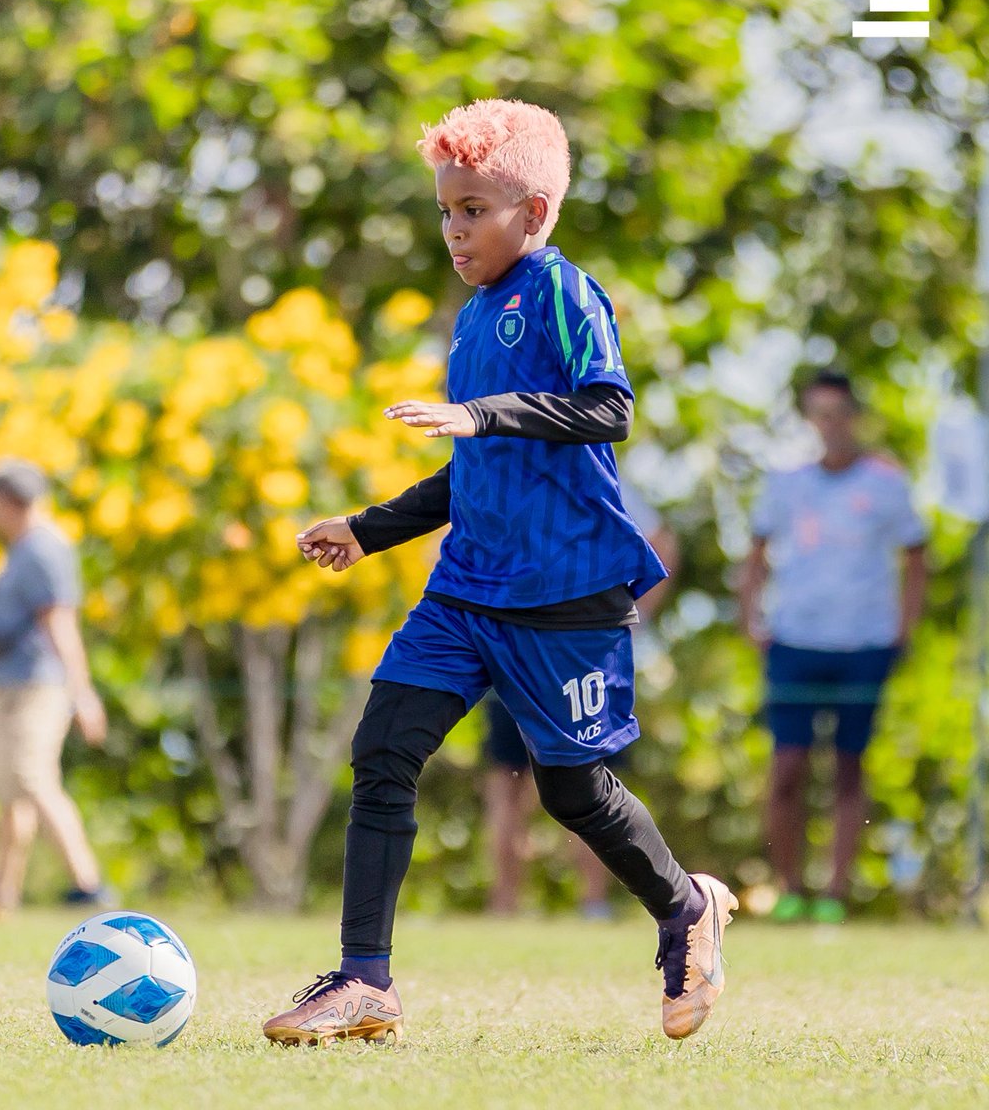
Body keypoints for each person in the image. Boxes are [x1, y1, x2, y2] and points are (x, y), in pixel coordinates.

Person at [262, 99, 736, 1047]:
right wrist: (367, 530)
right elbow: (473, 470)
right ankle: (366, 982)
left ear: (537, 214)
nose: (454, 230)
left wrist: (487, 414)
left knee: (572, 792)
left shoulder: (564, 293)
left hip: (564, 594)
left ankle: (688, 910)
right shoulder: (475, 318)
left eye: (474, 209)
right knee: (384, 751)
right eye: (446, 211)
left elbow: (606, 410)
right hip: (465, 592)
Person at [738, 371, 927, 924]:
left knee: (850, 766)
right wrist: (752, 619)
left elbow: (917, 557)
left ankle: (835, 894)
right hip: (794, 639)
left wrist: (903, 629)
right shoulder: (786, 483)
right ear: (808, 420)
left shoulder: (887, 483)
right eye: (819, 414)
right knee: (788, 766)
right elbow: (755, 552)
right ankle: (790, 886)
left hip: (864, 642)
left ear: (854, 416)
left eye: (838, 413)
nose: (830, 425)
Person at [483, 479, 680, 919]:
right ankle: (504, 903)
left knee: (593, 781)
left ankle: (592, 903)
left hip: (588, 657)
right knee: (508, 783)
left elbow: (662, 542)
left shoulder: (609, 483)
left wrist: (634, 615)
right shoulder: (511, 481)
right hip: (517, 653)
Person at [0, 459, 111, 912]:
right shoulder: (23, 549)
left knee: (33, 778)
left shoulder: (43, 550)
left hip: (36, 687)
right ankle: (2, 894)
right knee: (14, 791)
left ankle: (88, 884)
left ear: (8, 503)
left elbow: (61, 623)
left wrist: (82, 693)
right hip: (11, 684)